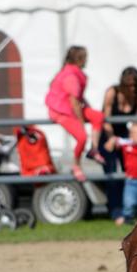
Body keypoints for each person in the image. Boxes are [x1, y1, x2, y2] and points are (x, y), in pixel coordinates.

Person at [45, 45, 105, 183]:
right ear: (80, 59)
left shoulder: (75, 73)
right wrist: (81, 122)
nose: (86, 61)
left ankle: (94, 149)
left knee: (98, 116)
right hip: (62, 111)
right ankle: (76, 165)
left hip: (71, 107)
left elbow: (78, 98)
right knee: (82, 137)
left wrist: (89, 110)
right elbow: (74, 101)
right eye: (85, 58)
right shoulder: (71, 76)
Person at [101, 67, 137, 222]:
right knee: (112, 172)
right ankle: (116, 211)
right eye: (129, 85)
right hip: (107, 135)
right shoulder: (112, 93)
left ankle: (131, 209)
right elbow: (105, 119)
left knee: (130, 172)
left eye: (134, 85)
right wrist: (111, 138)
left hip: (124, 136)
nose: (132, 88)